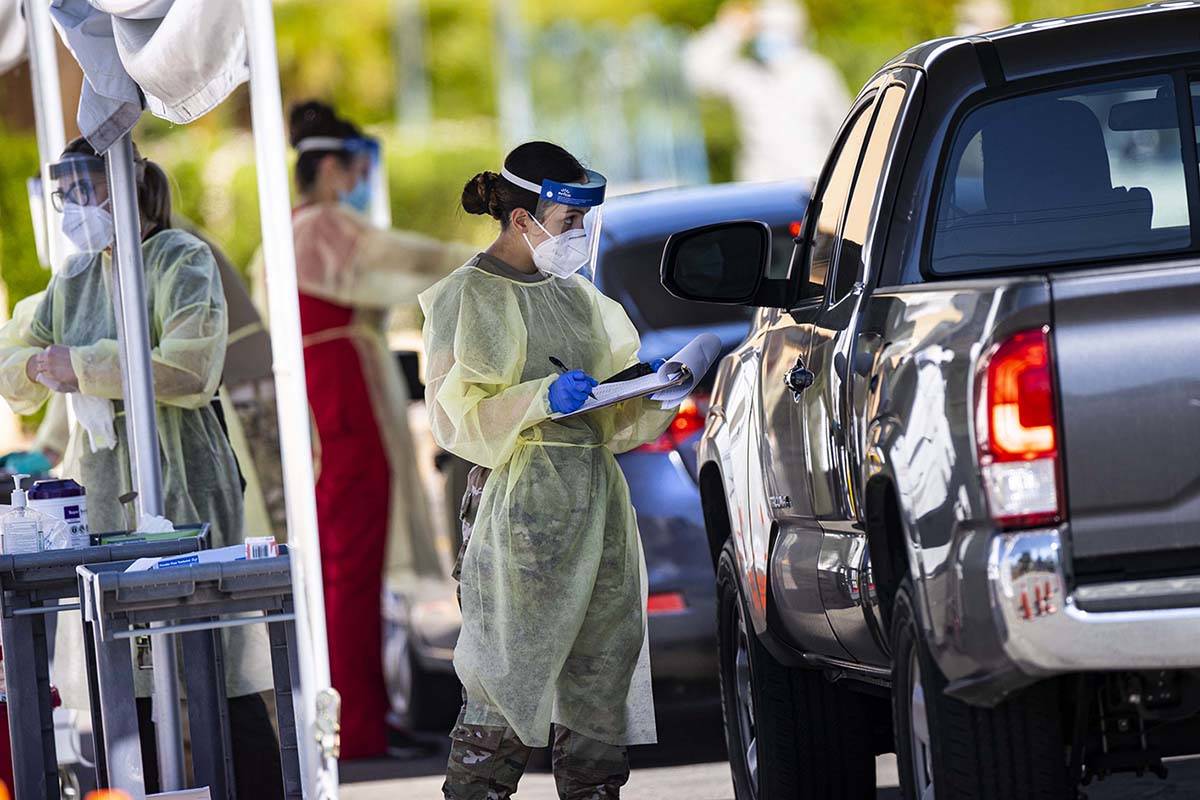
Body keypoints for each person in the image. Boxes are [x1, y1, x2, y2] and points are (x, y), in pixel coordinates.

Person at [0, 137, 282, 798]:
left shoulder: (182, 259)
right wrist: (45, 364)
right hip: (103, 489)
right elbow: (19, 359)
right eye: (64, 192)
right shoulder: (75, 276)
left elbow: (189, 367)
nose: (71, 206)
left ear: (121, 186)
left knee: (212, 657)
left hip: (183, 476)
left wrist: (83, 363)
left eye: (81, 189)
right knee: (127, 674)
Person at [420, 142, 679, 800]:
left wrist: (651, 395)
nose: (578, 238)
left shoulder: (572, 297)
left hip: (597, 512)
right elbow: (456, 422)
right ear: (521, 220)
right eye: (568, 223)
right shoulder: (466, 298)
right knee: (508, 678)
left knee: (598, 678)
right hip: (519, 518)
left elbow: (607, 415)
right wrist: (538, 399)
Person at [283, 100, 472, 759]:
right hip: (340, 398)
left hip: (338, 391)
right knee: (349, 567)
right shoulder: (321, 227)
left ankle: (365, 713)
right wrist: (484, 257)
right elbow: (406, 256)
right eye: (356, 166)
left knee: (352, 567)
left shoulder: (307, 226)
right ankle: (355, 723)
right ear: (332, 167)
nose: (361, 178)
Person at [683, 0, 850, 182]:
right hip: (761, 192)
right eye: (761, 28)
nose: (768, 35)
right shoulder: (747, 75)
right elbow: (699, 73)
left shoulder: (817, 73)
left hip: (813, 189)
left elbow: (846, 129)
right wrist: (729, 30)